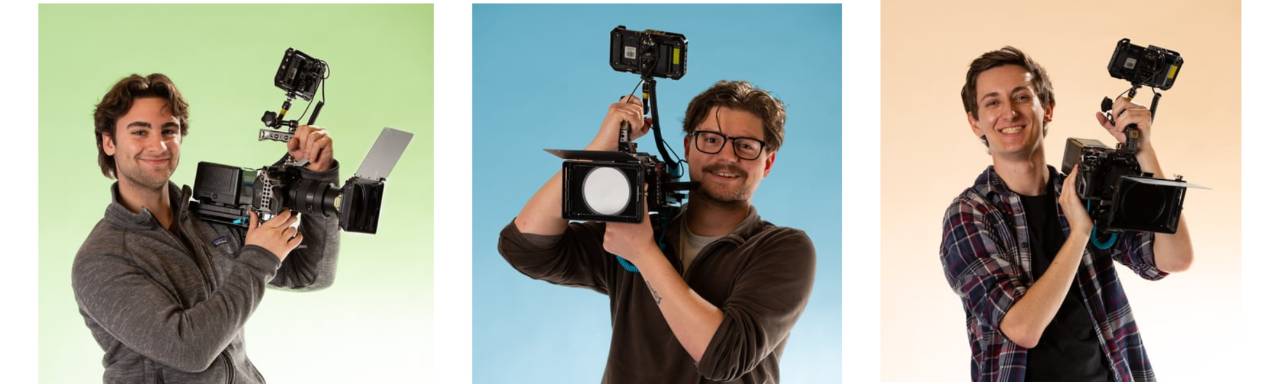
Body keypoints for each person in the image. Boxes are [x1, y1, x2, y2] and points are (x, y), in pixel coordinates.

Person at [498, 80, 815, 383]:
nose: (727, 156)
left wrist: (644, 253)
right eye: (711, 139)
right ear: (688, 147)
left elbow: (724, 356)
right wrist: (600, 148)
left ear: (768, 162)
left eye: (745, 146)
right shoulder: (642, 227)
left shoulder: (783, 249)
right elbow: (524, 246)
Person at [939, 47, 1195, 381]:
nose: (1010, 112)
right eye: (992, 102)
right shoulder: (970, 214)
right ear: (975, 122)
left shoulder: (1085, 189)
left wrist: (1144, 150)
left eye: (1021, 97)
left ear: (1047, 109)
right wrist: (1079, 233)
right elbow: (1023, 327)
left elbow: (1174, 258)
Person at [72, 73, 341, 383]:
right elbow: (189, 350)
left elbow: (311, 274)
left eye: (168, 131)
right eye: (140, 132)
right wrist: (258, 258)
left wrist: (320, 178)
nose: (158, 145)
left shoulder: (209, 219)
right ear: (109, 142)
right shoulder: (102, 259)